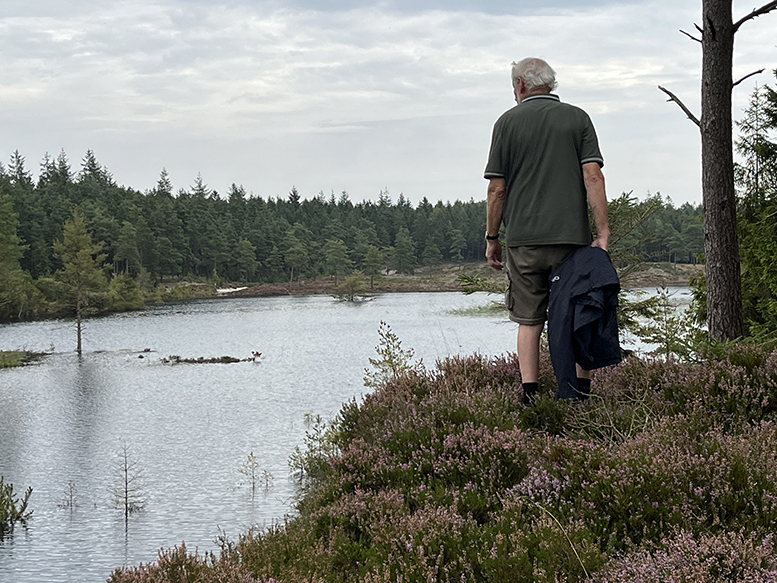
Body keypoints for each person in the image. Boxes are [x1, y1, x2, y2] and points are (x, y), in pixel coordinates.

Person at [484, 57, 610, 403]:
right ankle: (580, 394)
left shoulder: (506, 123)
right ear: (549, 84)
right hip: (572, 240)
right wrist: (602, 233)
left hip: (523, 243)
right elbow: (593, 177)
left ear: (521, 85)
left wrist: (492, 237)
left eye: (514, 87)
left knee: (529, 318)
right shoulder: (577, 118)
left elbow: (497, 189)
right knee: (577, 312)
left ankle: (530, 395)